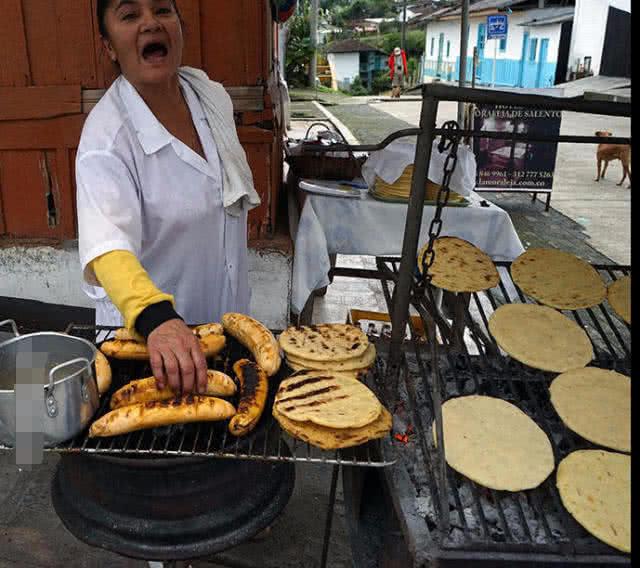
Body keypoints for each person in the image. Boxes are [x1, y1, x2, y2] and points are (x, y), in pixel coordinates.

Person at [76, 0, 261, 394]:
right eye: (129, 15)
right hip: (148, 348)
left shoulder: (210, 100)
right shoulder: (106, 140)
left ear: (180, 26)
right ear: (109, 46)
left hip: (221, 330)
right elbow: (107, 248)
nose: (149, 23)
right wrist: (157, 319)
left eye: (162, 10)